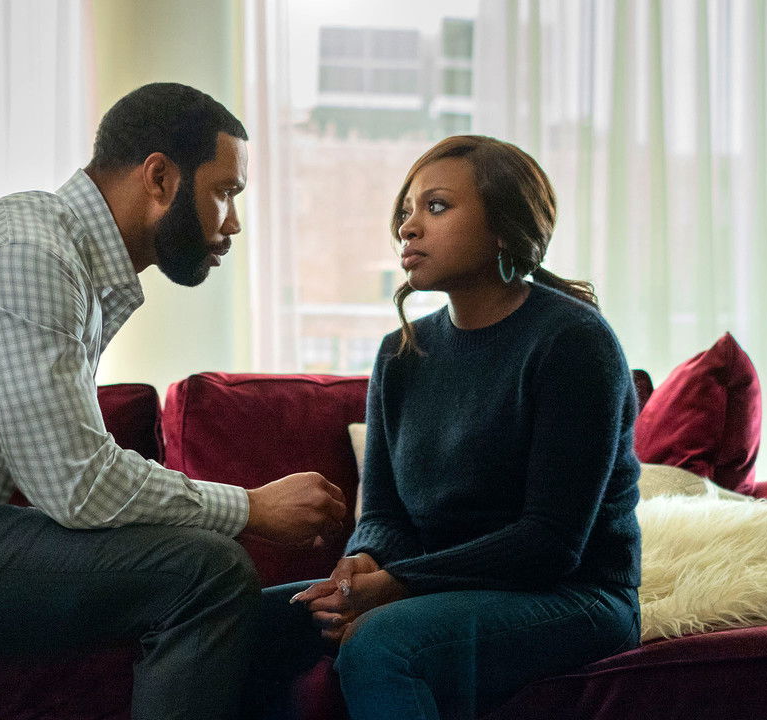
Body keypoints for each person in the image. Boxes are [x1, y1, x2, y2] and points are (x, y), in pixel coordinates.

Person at [0, 82, 347, 720]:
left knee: (232, 592)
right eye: (225, 192)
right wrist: (250, 507)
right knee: (207, 571)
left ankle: (312, 618)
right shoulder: (30, 255)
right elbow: (78, 486)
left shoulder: (61, 253)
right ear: (160, 178)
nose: (233, 223)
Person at [246, 135, 642, 720]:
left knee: (382, 642)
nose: (409, 227)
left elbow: (550, 543)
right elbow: (384, 515)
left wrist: (397, 585)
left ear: (504, 227)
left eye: (436, 207)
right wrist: (364, 564)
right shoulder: (401, 353)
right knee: (239, 622)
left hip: (576, 596)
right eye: (406, 212)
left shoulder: (573, 342)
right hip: (439, 588)